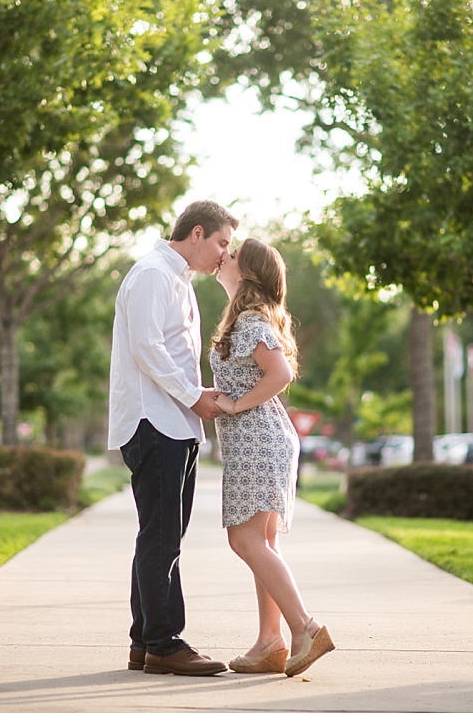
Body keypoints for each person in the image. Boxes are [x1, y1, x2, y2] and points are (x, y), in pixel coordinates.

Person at [108, 199, 238, 677]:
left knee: (162, 538)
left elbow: (174, 353)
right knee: (161, 538)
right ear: (198, 233)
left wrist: (194, 399)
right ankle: (164, 643)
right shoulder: (152, 275)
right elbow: (147, 348)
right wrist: (192, 396)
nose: (225, 255)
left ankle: (145, 642)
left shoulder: (177, 278)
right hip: (154, 421)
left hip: (175, 422)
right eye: (222, 243)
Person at [210, 238, 335, 677]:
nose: (222, 256)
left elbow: (279, 374)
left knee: (244, 541)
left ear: (245, 274)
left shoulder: (248, 322)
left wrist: (232, 404)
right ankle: (270, 642)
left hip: (256, 440)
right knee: (262, 542)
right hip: (265, 439)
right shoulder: (249, 319)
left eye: (231, 254)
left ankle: (305, 628)